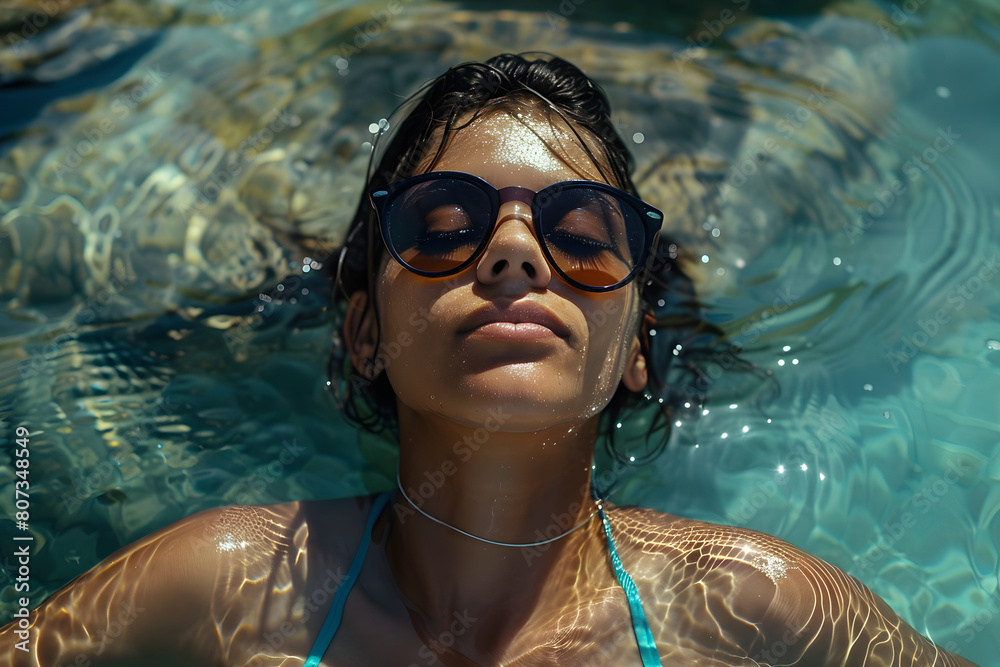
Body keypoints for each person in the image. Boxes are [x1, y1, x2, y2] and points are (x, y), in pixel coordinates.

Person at [1, 53, 980, 667]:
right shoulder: (218, 581)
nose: (514, 252)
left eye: (583, 236)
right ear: (362, 332)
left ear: (636, 347)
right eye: (442, 225)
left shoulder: (755, 605)